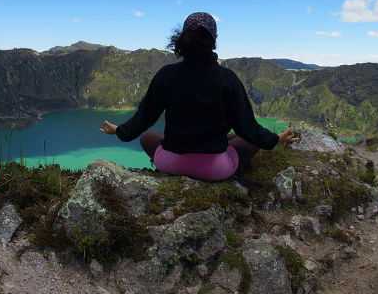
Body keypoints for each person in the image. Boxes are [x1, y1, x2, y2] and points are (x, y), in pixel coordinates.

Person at [99, 11, 297, 181]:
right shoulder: (226, 78)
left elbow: (144, 118)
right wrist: (275, 139)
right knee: (246, 140)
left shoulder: (166, 74)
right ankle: (235, 168)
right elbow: (247, 127)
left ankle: (171, 167)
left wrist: (119, 131)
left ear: (182, 39)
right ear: (213, 41)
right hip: (214, 169)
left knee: (147, 138)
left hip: (169, 163)